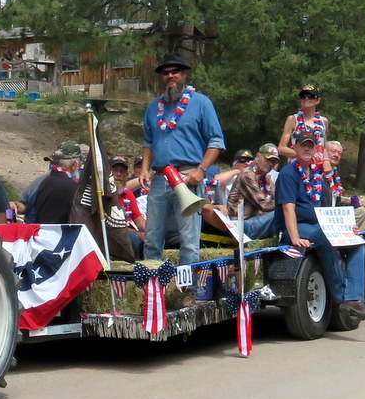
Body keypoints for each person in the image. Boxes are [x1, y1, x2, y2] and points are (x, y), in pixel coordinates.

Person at [275, 128, 365, 321]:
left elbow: (326, 211)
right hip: (296, 227)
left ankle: (354, 299)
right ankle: (341, 298)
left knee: (357, 243)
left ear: (315, 149)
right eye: (302, 145)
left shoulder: (316, 175)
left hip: (318, 226)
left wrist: (346, 229)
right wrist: (295, 237)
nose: (306, 149)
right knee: (325, 237)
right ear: (294, 147)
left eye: (310, 146)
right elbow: (288, 209)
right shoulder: (287, 174)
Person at [139, 51, 225, 266]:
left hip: (188, 177)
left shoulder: (201, 103)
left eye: (174, 72)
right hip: (159, 179)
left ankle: (189, 294)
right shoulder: (153, 107)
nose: (170, 76)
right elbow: (148, 142)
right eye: (165, 73)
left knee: (188, 240)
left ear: (184, 74)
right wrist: (144, 169)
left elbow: (216, 141)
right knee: (151, 238)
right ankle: (153, 291)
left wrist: (202, 170)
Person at [225, 143, 281, 239]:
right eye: (268, 159)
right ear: (258, 157)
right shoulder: (248, 174)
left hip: (255, 221)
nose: (271, 164)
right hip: (241, 226)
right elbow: (264, 204)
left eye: (274, 161)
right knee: (283, 211)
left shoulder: (266, 177)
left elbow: (277, 196)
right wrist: (285, 204)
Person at [33, 141, 82, 223]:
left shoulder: (46, 181)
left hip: (43, 231)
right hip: (60, 233)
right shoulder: (72, 187)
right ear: (74, 164)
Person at [279, 84, 329, 160]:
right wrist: (304, 154)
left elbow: (324, 147)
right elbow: (281, 148)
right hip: (298, 166)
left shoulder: (324, 121)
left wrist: (327, 161)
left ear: (318, 100)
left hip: (318, 167)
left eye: (310, 96)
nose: (306, 98)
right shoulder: (293, 119)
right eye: (303, 96)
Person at [110, 155, 145, 259]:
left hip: (129, 231)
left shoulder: (128, 194)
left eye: (122, 171)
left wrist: (150, 232)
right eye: (115, 171)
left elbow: (139, 219)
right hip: (112, 234)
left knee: (154, 239)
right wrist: (137, 233)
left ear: (127, 175)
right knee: (133, 239)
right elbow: (112, 227)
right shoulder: (104, 195)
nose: (118, 174)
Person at [326, 140, 365, 228]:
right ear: (325, 153)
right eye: (333, 152)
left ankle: (358, 239)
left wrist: (349, 204)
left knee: (361, 211)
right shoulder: (317, 173)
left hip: (334, 212)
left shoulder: (334, 175)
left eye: (339, 153)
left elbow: (335, 203)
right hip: (323, 215)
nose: (336, 155)